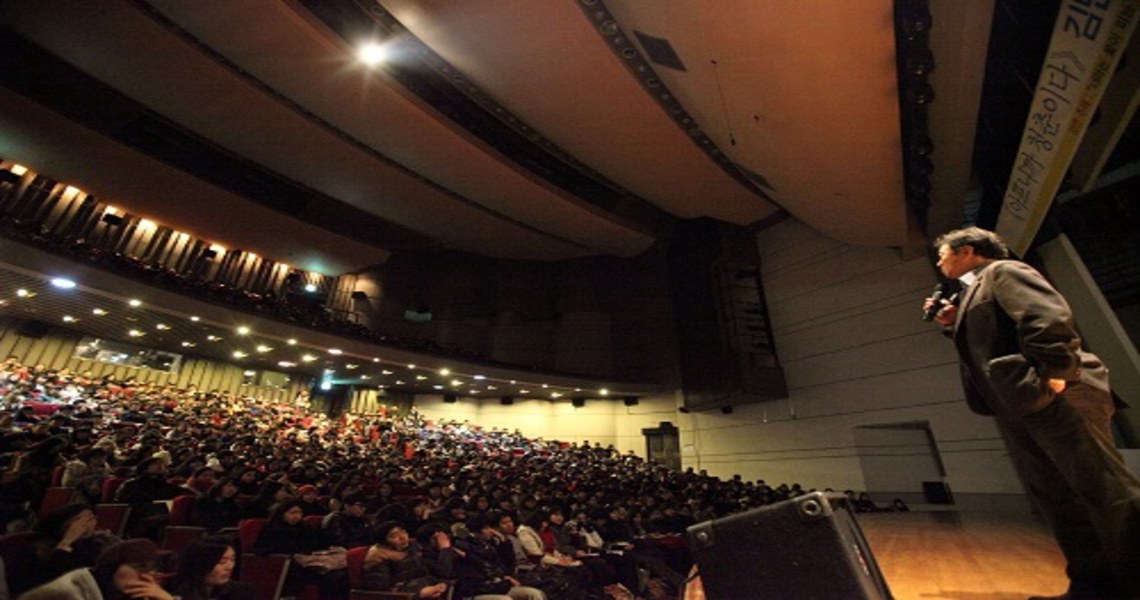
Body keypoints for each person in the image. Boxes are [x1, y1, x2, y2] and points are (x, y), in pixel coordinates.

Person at [926, 226, 1140, 599]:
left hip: (1060, 395)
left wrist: (1056, 374)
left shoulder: (1005, 271)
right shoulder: (974, 289)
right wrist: (952, 322)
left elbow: (1047, 318)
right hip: (1022, 402)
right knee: (1060, 500)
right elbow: (993, 339)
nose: (940, 262)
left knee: (1107, 490)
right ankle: (1094, 587)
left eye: (944, 254)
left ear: (968, 250)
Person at [165, 539, 254, 599]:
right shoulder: (171, 587)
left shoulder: (241, 592)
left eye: (232, 559)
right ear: (201, 563)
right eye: (222, 561)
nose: (230, 567)